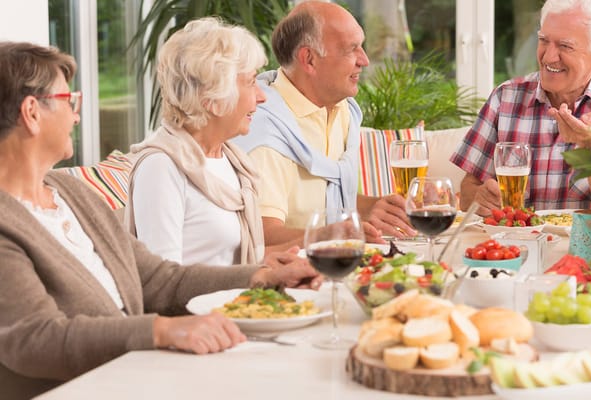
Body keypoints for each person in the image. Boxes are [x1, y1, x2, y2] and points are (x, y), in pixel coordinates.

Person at [0, 41, 320, 399]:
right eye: (68, 101)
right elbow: (35, 338)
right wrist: (162, 331)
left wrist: (261, 276)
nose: (77, 115)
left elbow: (158, 278)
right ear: (31, 112)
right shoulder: (6, 223)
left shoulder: (71, 194)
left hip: (136, 374)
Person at [232, 1, 416, 247]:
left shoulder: (342, 110)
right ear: (309, 59)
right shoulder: (263, 129)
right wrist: (333, 236)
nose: (365, 60)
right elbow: (262, 235)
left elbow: (323, 194)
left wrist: (371, 207)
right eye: (351, 49)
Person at [126, 17, 302, 267]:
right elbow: (162, 282)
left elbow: (229, 261)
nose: (262, 97)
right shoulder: (162, 168)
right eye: (251, 82)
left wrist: (313, 245)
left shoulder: (232, 160)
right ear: (213, 97)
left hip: (240, 300)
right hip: (199, 307)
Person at [450, 0, 591, 217]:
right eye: (544, 40)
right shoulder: (505, 97)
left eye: (565, 46)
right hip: (517, 246)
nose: (548, 56)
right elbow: (468, 190)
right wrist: (481, 199)